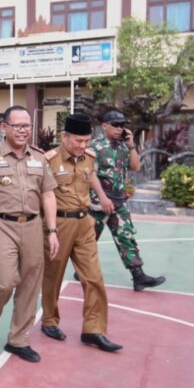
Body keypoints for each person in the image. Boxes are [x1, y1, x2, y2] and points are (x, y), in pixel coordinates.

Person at [0, 105, 59, 363]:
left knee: (30, 284)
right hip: (1, 224)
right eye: (18, 125)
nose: (23, 130)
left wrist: (52, 230)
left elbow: (48, 194)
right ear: (4, 128)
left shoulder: (39, 157)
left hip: (32, 225)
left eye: (27, 126)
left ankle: (18, 340)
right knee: (5, 281)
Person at [41, 114, 122, 352]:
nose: (83, 145)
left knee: (94, 277)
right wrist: (50, 229)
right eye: (78, 141)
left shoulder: (89, 157)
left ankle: (93, 330)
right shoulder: (49, 160)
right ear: (64, 137)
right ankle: (49, 320)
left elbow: (91, 175)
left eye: (86, 141)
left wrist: (103, 197)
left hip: (85, 223)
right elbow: (43, 195)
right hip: (59, 224)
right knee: (53, 276)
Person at [90, 110, 166, 291]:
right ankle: (82, 269)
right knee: (88, 240)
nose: (119, 128)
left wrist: (131, 146)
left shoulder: (123, 146)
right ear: (104, 126)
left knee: (126, 236)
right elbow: (90, 175)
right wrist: (103, 198)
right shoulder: (94, 147)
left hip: (118, 201)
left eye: (122, 125)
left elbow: (135, 166)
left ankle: (138, 276)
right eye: (115, 125)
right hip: (98, 203)